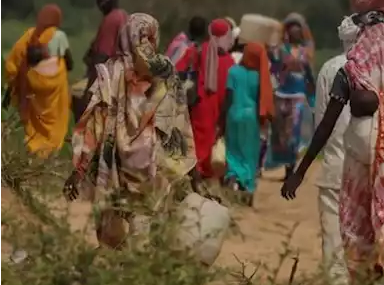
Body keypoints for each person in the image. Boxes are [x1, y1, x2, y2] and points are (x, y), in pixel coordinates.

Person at [283, 11, 384, 282]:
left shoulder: (358, 72)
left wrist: (300, 172)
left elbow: (325, 125)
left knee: (356, 237)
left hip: (358, 169)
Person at [65, 13, 204, 247]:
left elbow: (95, 123)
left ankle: (114, 270)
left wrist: (79, 169)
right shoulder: (164, 71)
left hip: (114, 164)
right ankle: (137, 270)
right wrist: (193, 176)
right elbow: (177, 125)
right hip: (150, 163)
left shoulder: (110, 71)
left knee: (111, 228)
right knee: (144, 223)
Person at [307, 17, 361, 285]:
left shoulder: (330, 68)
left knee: (332, 236)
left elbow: (321, 124)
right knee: (362, 236)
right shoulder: (376, 68)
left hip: (333, 166)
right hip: (364, 168)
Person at [3, 5, 73, 155]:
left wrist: (15, 82)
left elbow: (12, 65)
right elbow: (70, 62)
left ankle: (34, 146)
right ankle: (50, 149)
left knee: (36, 119)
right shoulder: (58, 35)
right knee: (55, 118)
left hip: (33, 83)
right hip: (54, 85)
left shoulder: (29, 35)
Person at [177, 18, 235, 177]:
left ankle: (195, 174)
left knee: (197, 140)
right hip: (218, 107)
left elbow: (178, 69)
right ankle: (205, 175)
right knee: (211, 141)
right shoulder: (230, 62)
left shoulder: (198, 50)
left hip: (199, 104)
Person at [220, 40, 272, 202]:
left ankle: (233, 177)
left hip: (233, 113)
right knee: (249, 152)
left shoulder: (233, 71)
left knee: (233, 149)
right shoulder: (259, 76)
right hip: (251, 117)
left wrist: (222, 117)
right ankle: (247, 185)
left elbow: (228, 96)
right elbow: (262, 100)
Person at [266, 13, 315, 177]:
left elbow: (309, 75)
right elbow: (272, 66)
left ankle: (290, 167)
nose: (294, 34)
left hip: (298, 95)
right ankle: (284, 164)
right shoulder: (280, 50)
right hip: (281, 93)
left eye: (297, 31)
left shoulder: (305, 52)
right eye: (291, 31)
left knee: (294, 131)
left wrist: (313, 96)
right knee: (280, 133)